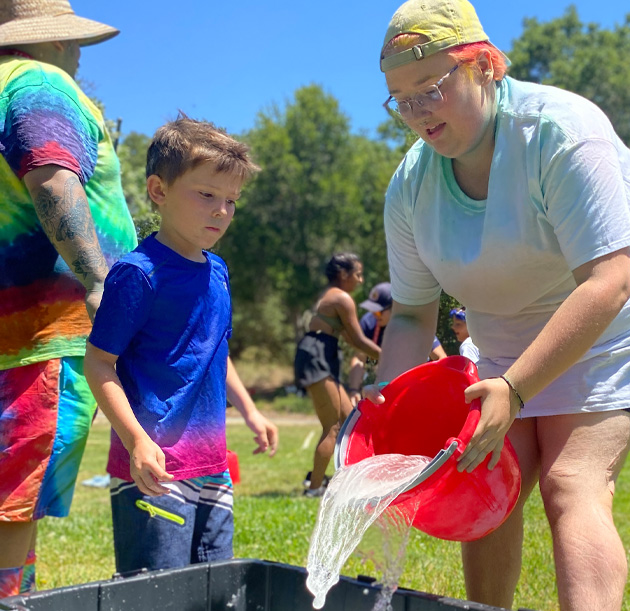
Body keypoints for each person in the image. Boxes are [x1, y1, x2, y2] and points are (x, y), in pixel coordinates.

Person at [368, 2, 630, 608]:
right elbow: (412, 312)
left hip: (613, 316)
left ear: (486, 65)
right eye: (399, 98)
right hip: (507, 327)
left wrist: (514, 391)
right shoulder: (411, 186)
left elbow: (608, 280)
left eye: (429, 89)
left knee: (571, 482)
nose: (415, 111)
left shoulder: (560, 133)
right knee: (484, 479)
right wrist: (387, 403)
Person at [83, 117, 279, 575]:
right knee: (156, 591)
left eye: (231, 200)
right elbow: (98, 363)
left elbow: (214, 349)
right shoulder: (138, 273)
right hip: (153, 467)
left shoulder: (218, 271)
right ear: (158, 190)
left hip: (212, 463)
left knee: (212, 589)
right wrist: (136, 442)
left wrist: (250, 410)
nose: (221, 211)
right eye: (207, 194)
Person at [0, 1, 138, 597]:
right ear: (49, 40)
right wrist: (99, 278)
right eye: (73, 40)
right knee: (13, 504)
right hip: (41, 339)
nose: (80, 53)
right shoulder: (40, 82)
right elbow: (52, 173)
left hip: (14, 334)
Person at [295, 253, 381, 497]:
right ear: (343, 275)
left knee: (350, 420)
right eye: (357, 274)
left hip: (322, 353)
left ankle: (349, 482)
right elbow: (357, 339)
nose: (361, 280)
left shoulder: (330, 295)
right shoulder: (342, 298)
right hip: (317, 355)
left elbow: (347, 338)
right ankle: (314, 489)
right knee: (332, 427)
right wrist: (385, 356)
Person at [345, 281, 447, 401]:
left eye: (378, 311)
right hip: (387, 387)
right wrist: (354, 390)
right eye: (372, 310)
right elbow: (359, 359)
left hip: (419, 385)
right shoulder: (368, 323)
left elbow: (441, 359)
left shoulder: (413, 324)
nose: (374, 315)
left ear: (394, 307)